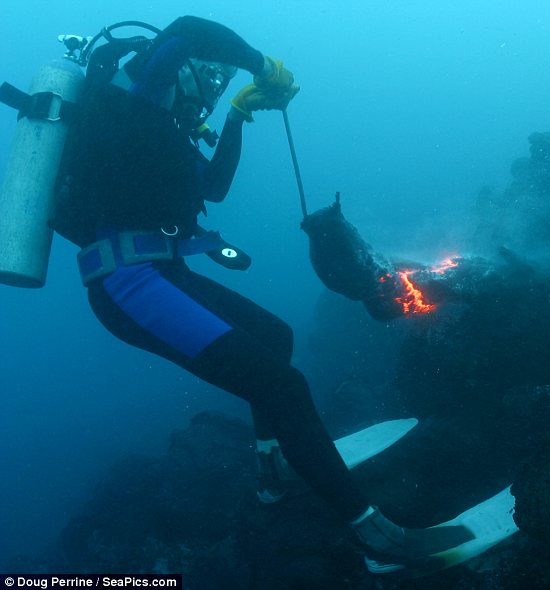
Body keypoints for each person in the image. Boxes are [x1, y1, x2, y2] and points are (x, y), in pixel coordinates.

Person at [51, 15, 472, 575]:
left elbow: (214, 187)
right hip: (129, 284)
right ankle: (376, 533)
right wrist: (259, 63)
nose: (214, 90)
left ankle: (275, 473)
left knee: (277, 337)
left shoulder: (159, 132)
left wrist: (238, 115)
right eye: (212, 81)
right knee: (285, 386)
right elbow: (184, 28)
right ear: (180, 72)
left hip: (158, 272)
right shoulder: (137, 101)